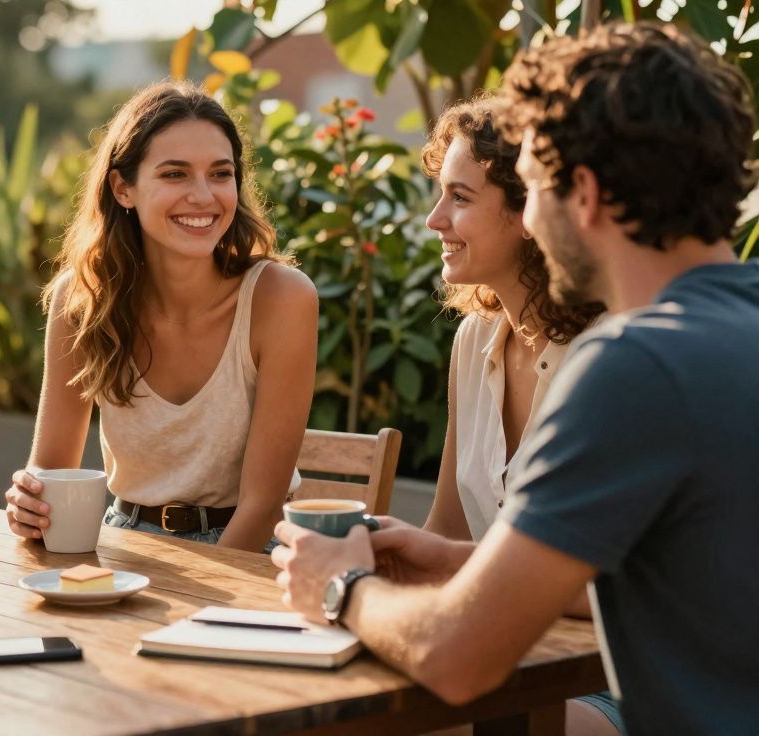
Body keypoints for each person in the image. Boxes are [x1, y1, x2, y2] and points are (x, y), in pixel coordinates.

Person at [272, 22, 759, 735]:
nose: (532, 215)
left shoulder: (634, 364)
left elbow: (455, 657)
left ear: (584, 194)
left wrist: (341, 586)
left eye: (531, 187)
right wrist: (452, 559)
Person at [3, 81, 317, 552]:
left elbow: (262, 505)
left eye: (220, 173)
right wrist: (30, 506)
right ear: (123, 188)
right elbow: (51, 473)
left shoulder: (281, 298)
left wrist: (194, 612)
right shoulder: (84, 299)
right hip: (122, 542)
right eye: (175, 174)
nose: (203, 196)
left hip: (252, 550)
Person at [421, 96, 619, 733]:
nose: (434, 219)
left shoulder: (610, 356)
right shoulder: (474, 339)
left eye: (460, 197)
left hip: (612, 683)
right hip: (503, 661)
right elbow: (448, 530)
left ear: (528, 208)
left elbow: (631, 589)